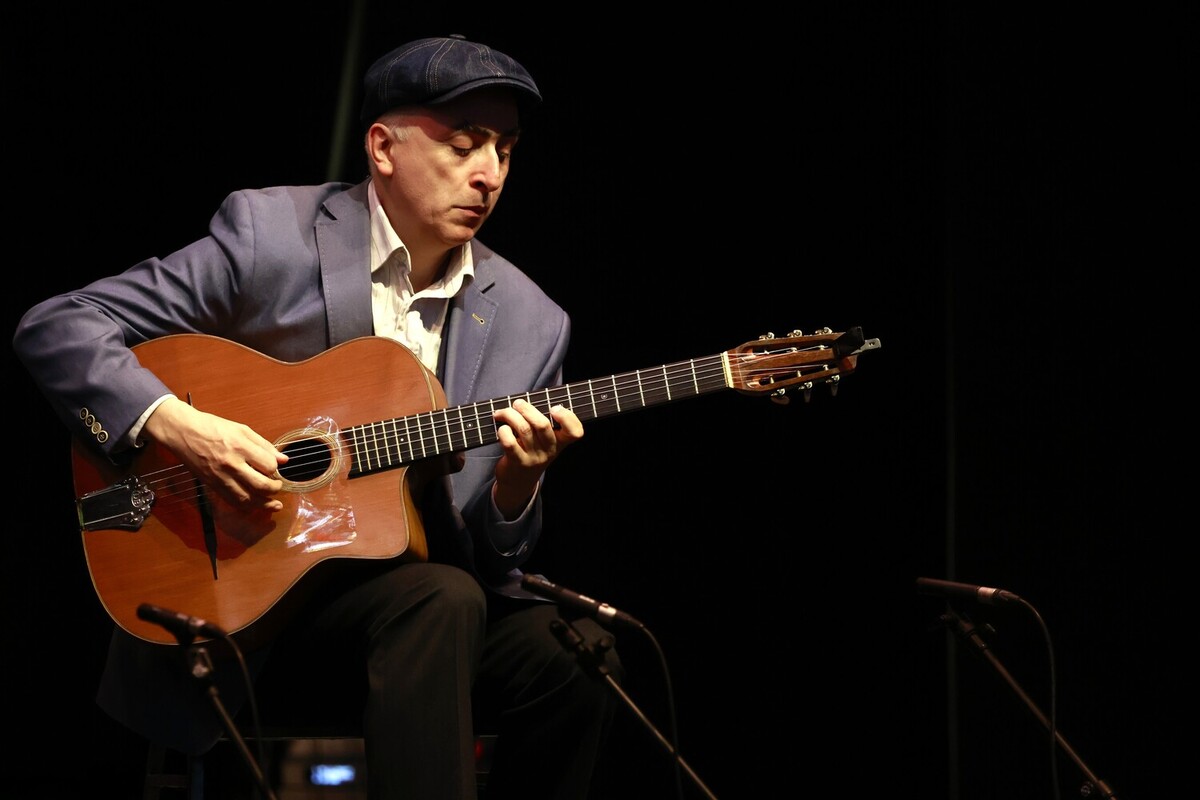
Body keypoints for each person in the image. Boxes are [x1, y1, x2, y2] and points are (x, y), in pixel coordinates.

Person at [13, 34, 622, 799]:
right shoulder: (271, 237)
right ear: (383, 147)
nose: (489, 174)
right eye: (465, 144)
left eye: (505, 150)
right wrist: (179, 426)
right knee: (441, 597)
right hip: (253, 621)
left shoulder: (534, 322)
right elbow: (58, 327)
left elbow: (499, 563)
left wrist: (515, 489)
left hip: (424, 631)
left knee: (579, 652)